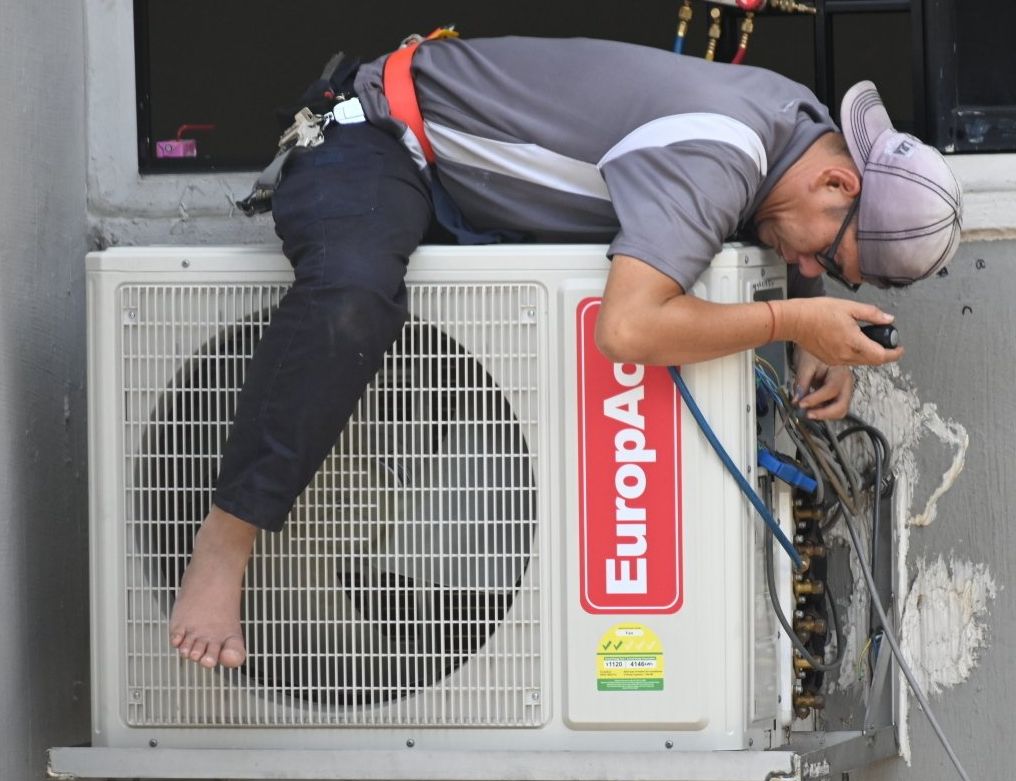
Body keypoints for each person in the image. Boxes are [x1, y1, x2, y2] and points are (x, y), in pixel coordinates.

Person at [169, 34, 962, 669]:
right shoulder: (719, 155)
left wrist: (815, 321)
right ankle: (224, 541)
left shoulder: (800, 121)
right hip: (377, 134)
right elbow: (628, 329)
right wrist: (791, 320)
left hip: (467, 193)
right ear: (840, 182)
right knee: (352, 295)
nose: (813, 265)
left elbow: (794, 222)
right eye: (831, 257)